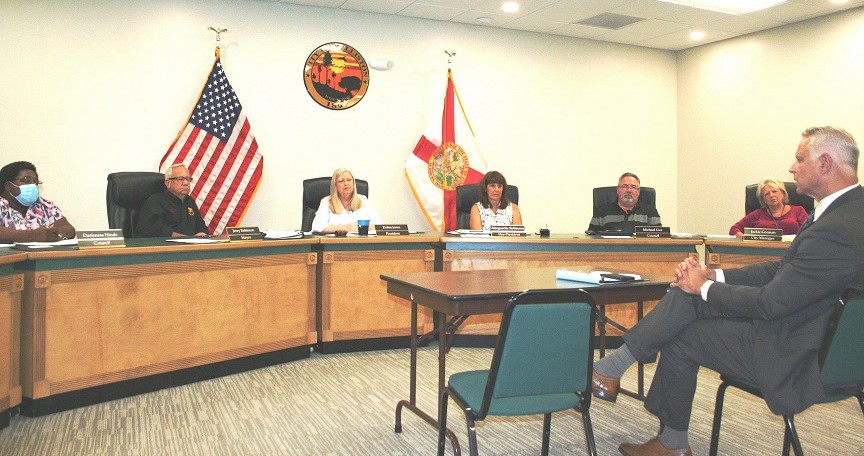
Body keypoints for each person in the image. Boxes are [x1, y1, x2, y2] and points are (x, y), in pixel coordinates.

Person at [591, 126, 864, 456]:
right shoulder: (850, 213)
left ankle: (655, 421)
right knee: (688, 300)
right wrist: (712, 276)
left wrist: (701, 286)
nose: (792, 167)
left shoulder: (834, 228)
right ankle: (618, 375)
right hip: (825, 345)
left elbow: (771, 303)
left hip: (794, 354)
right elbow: (781, 271)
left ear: (825, 163)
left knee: (682, 331)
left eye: (799, 158)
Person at [0, 161, 76, 243]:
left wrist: (49, 234)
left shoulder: (44, 204)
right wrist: (36, 235)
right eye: (26, 180)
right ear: (8, 186)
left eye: (35, 182)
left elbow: (69, 229)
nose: (33, 185)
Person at [137, 164, 209, 237]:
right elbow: (153, 230)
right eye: (180, 179)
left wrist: (201, 234)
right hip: (165, 246)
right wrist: (185, 238)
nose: (186, 183)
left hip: (190, 246)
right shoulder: (155, 202)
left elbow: (201, 226)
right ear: (168, 183)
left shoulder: (190, 202)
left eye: (188, 179)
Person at [729, 178, 809, 236]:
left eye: (774, 191)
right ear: (763, 199)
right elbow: (734, 229)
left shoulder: (798, 211)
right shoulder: (757, 214)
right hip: (763, 253)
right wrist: (745, 240)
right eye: (767, 194)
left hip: (793, 252)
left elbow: (809, 232)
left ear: (783, 193)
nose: (771, 195)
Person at [311, 168, 382, 233]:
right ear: (335, 185)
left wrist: (362, 228)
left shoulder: (363, 200)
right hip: (335, 244)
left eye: (349, 180)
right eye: (341, 181)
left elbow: (379, 225)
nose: (346, 184)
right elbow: (317, 227)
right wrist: (344, 228)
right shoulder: (327, 202)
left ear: (353, 183)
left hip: (360, 243)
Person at [588, 172, 661, 234]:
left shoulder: (651, 212)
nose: (629, 190)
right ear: (617, 190)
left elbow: (659, 240)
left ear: (638, 191)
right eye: (625, 186)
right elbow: (591, 239)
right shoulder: (601, 213)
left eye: (633, 187)